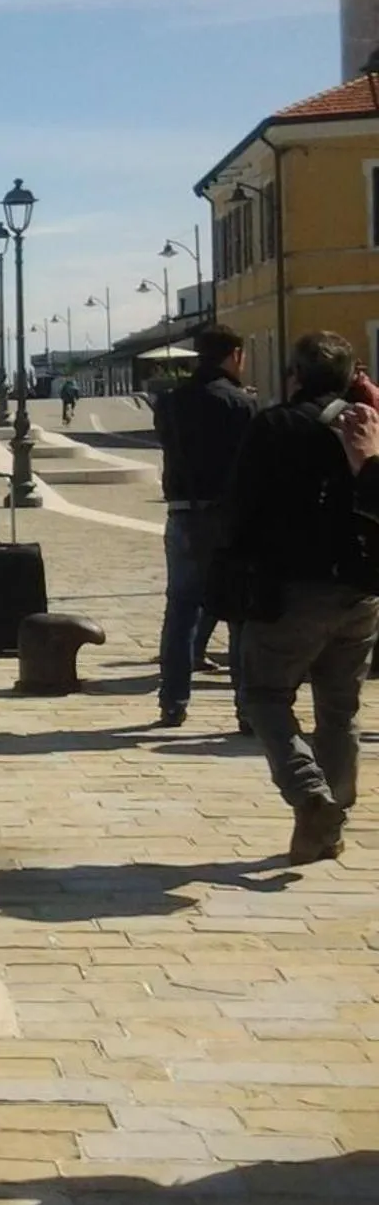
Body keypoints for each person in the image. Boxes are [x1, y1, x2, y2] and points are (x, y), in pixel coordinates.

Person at [226, 331, 379, 864]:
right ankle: (330, 822)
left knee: (264, 695)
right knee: (339, 710)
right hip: (360, 589)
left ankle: (310, 794)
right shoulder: (366, 426)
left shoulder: (274, 425)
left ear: (293, 375)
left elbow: (241, 506)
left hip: (290, 589)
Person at [152, 325, 258, 728]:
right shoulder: (240, 404)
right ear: (234, 355)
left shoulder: (171, 402)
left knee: (181, 610)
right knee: (239, 613)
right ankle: (247, 709)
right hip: (228, 517)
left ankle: (173, 701)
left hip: (182, 513)